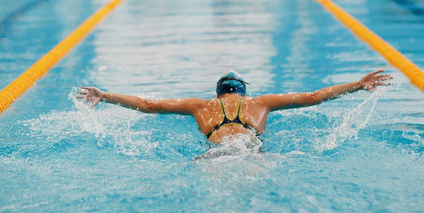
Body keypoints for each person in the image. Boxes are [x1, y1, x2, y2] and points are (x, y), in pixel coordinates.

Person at [77, 70, 392, 144]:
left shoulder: (201, 106)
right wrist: (357, 85)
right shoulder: (259, 103)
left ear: (218, 94)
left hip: (213, 153)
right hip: (250, 149)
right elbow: (313, 96)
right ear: (243, 93)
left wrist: (104, 95)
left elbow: (148, 105)